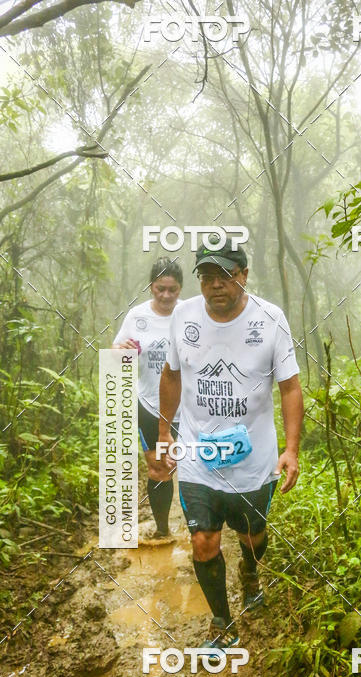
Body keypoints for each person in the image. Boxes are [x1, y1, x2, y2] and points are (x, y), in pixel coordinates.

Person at [155, 238, 304, 653]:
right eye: (206, 276)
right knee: (203, 540)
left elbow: (290, 388)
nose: (215, 285)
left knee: (252, 534)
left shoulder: (270, 319)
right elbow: (171, 375)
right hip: (199, 456)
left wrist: (290, 450)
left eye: (224, 275)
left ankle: (251, 574)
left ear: (244, 276)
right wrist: (165, 434)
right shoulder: (183, 317)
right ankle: (221, 622)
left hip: (254, 460)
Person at [112, 257, 183, 539]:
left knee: (192, 467)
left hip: (187, 406)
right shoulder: (136, 316)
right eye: (160, 288)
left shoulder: (191, 314)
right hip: (149, 405)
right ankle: (163, 529)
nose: (166, 295)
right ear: (151, 286)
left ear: (180, 289)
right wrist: (120, 349)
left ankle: (201, 534)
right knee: (158, 468)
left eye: (172, 289)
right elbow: (118, 351)